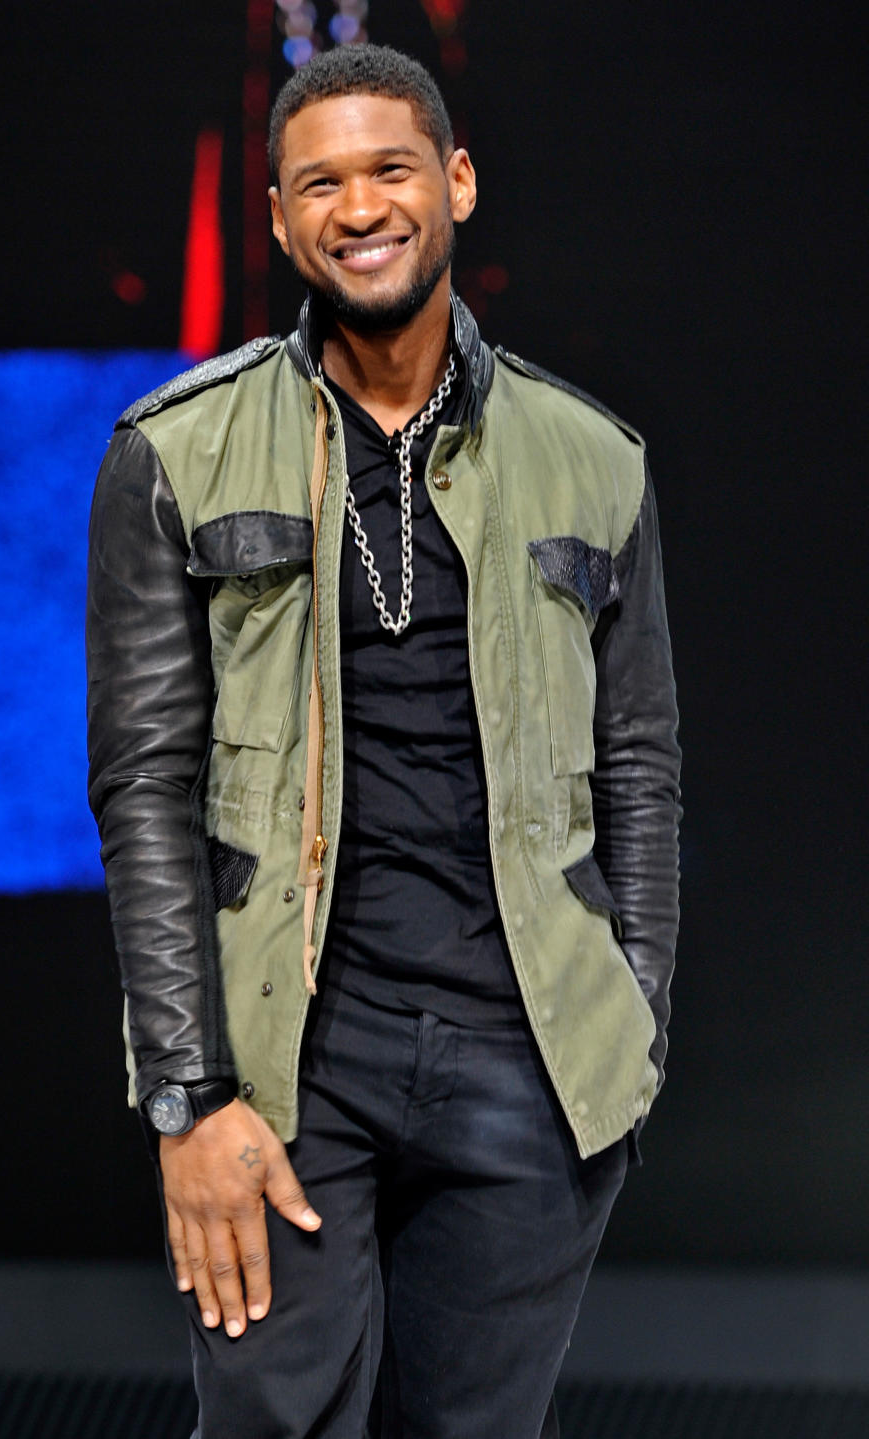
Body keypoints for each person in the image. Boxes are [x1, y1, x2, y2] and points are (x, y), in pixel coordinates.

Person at [87, 43, 681, 1439]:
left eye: (392, 169)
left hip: (528, 1060)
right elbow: (144, 783)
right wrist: (187, 1097)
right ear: (286, 220)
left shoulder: (594, 457)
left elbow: (642, 760)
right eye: (323, 184)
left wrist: (632, 1026)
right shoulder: (176, 450)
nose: (361, 207)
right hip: (289, 1072)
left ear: (457, 184)